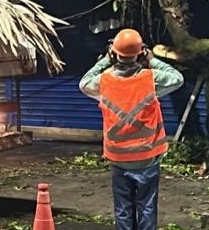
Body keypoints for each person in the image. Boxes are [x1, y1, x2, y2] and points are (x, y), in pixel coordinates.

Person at [79, 28, 184, 230]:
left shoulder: (104, 81)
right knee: (146, 206)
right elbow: (177, 78)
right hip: (147, 156)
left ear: (114, 53)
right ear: (140, 52)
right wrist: (152, 59)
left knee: (123, 209)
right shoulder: (150, 78)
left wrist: (105, 61)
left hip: (118, 158)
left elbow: (84, 83)